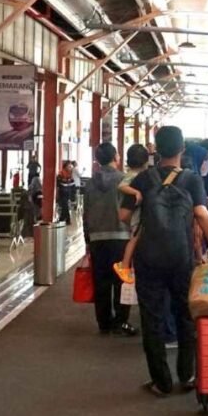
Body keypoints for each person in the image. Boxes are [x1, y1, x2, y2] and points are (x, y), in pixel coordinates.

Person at [119, 125, 208, 397]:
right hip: (180, 256)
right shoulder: (191, 179)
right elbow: (202, 214)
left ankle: (161, 382)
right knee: (185, 315)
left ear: (156, 149)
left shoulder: (143, 178)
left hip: (149, 257)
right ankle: (187, 375)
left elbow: (122, 216)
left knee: (152, 319)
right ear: (181, 149)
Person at [83, 143, 137, 337]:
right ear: (116, 156)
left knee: (101, 281)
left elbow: (85, 212)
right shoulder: (124, 180)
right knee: (121, 281)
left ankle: (104, 323)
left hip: (98, 238)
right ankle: (121, 322)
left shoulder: (90, 184)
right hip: (121, 237)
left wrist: (87, 239)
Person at [113, 143, 150, 281]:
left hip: (134, 215)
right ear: (146, 161)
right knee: (134, 239)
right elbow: (121, 186)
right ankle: (124, 265)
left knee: (134, 239)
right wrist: (136, 192)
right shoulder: (134, 176)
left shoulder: (135, 174)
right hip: (135, 216)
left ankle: (127, 265)